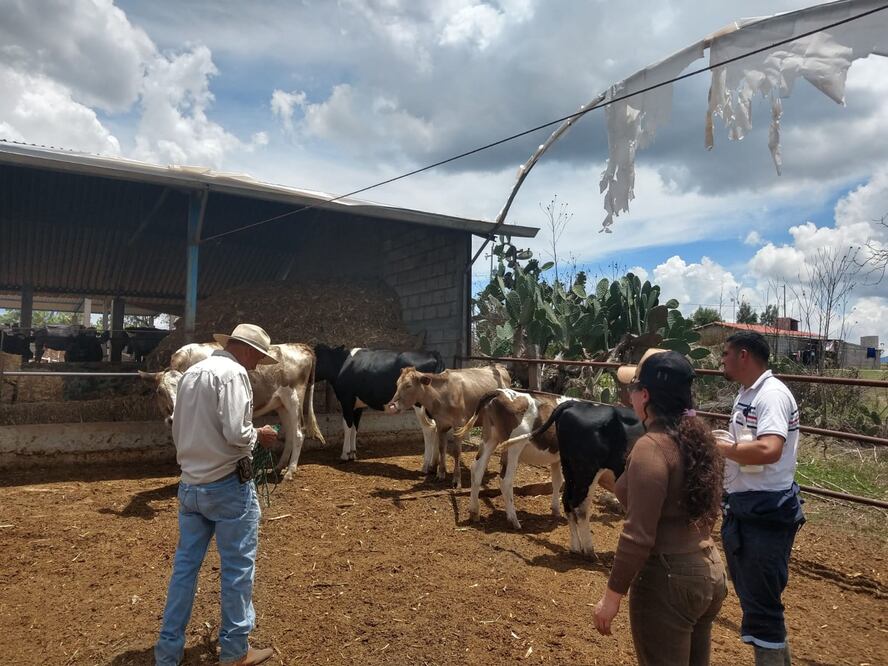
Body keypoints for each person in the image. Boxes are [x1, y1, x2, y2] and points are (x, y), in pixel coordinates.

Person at [155, 324, 280, 666]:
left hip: (190, 485)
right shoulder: (234, 374)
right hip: (227, 487)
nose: (257, 366)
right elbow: (238, 435)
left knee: (184, 569)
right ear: (248, 351)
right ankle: (236, 651)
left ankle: (167, 652)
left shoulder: (192, 374)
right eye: (258, 357)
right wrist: (261, 434)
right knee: (237, 568)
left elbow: (178, 428)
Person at [594, 348, 727, 666]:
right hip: (708, 570)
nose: (629, 393)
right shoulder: (699, 441)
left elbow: (637, 534)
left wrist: (611, 597)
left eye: (633, 387)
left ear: (645, 395)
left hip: (667, 581)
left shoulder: (651, 449)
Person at [717, 331, 804, 666]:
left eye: (725, 353)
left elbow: (770, 448)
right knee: (758, 603)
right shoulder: (748, 393)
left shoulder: (771, 395)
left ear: (742, 355)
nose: (721, 360)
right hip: (749, 507)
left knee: (763, 609)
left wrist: (723, 448)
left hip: (764, 512)